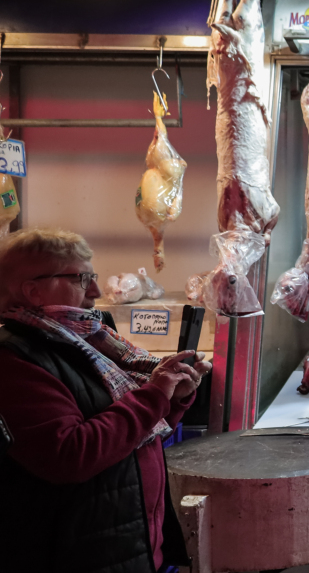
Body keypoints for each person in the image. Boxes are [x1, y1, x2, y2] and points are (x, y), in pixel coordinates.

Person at [0, 228, 211, 572]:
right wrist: (154, 394)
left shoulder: (89, 342)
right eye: (82, 278)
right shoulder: (15, 361)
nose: (96, 291)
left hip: (128, 543)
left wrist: (173, 400)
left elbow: (133, 435)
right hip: (81, 556)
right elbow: (71, 454)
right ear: (32, 290)